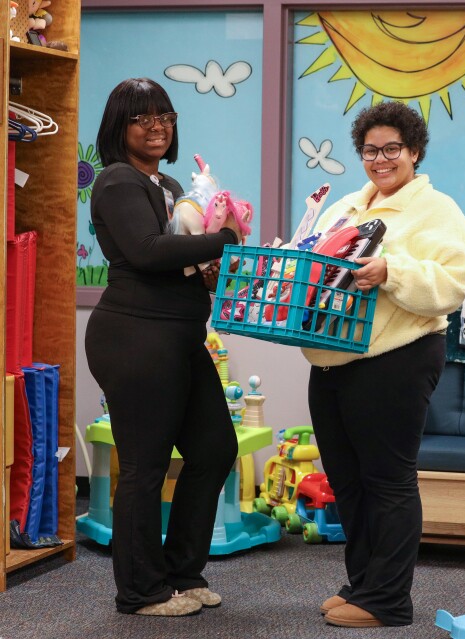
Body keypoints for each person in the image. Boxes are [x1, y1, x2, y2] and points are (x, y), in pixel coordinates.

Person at [301, 101, 465, 628]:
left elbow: (454, 284)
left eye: (392, 149)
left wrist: (391, 270)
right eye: (371, 150)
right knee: (347, 481)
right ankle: (363, 584)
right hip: (332, 358)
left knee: (388, 480)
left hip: (395, 356)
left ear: (414, 151)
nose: (381, 159)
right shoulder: (347, 208)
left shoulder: (438, 210)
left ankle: (389, 600)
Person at [84, 78, 243, 617]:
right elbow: (149, 251)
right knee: (146, 468)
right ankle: (141, 590)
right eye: (142, 118)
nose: (157, 126)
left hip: (180, 337)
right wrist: (225, 241)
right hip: (134, 337)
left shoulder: (172, 184)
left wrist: (211, 265)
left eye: (165, 117)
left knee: (216, 448)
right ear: (119, 128)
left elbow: (181, 261)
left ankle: (181, 573)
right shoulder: (116, 181)